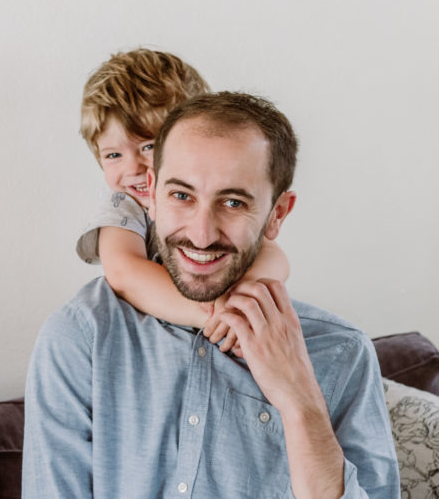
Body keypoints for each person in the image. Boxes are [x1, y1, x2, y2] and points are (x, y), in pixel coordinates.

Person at [23, 92, 399, 497]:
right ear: (150, 193)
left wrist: (300, 402)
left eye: (233, 202)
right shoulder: (82, 337)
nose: (201, 234)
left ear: (278, 214)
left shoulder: (341, 353)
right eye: (181, 195)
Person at [77, 49, 289, 350]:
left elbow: (274, 257)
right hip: (166, 334)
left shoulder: (221, 199)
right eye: (113, 155)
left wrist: (243, 300)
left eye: (148, 147)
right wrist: (214, 316)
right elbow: (124, 271)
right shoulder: (122, 205)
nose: (132, 168)